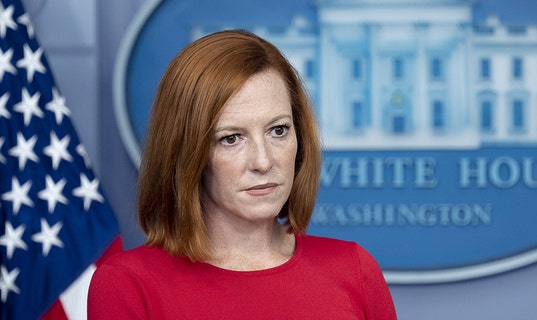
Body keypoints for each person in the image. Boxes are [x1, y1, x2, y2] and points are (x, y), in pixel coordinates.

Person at [88, 29, 397, 319]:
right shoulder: (128, 283)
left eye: (278, 130)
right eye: (231, 138)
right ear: (185, 152)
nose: (263, 161)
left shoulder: (354, 270)